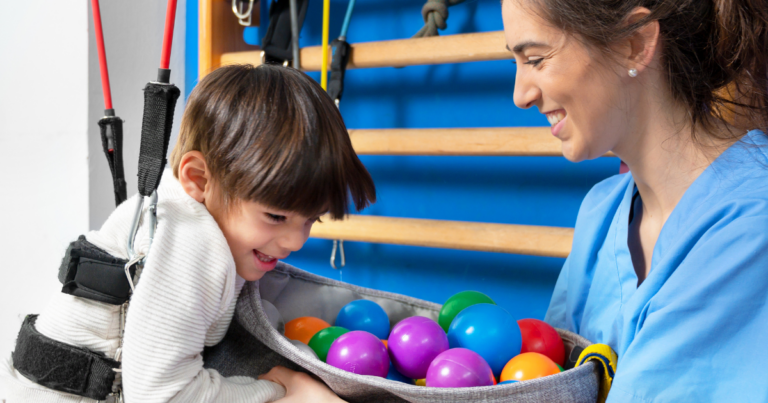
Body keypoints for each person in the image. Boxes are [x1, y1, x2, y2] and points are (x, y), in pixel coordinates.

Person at [2, 64, 371, 402]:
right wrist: (279, 393)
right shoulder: (194, 243)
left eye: (312, 219)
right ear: (199, 179)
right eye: (276, 216)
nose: (296, 241)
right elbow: (164, 395)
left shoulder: (190, 212)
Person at [501, 0, 768, 401]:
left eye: (536, 59)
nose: (521, 95)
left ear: (634, 44)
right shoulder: (600, 212)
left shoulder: (751, 222)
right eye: (516, 62)